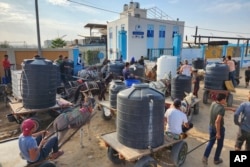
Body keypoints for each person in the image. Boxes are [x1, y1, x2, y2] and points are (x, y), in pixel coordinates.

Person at [202, 93, 227, 165]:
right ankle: (216, 159)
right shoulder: (221, 109)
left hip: (211, 127)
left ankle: (205, 157)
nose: (225, 100)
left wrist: (230, 109)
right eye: (225, 99)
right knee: (220, 145)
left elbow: (219, 108)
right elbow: (217, 121)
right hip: (218, 128)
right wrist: (218, 133)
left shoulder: (213, 103)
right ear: (222, 100)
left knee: (211, 142)